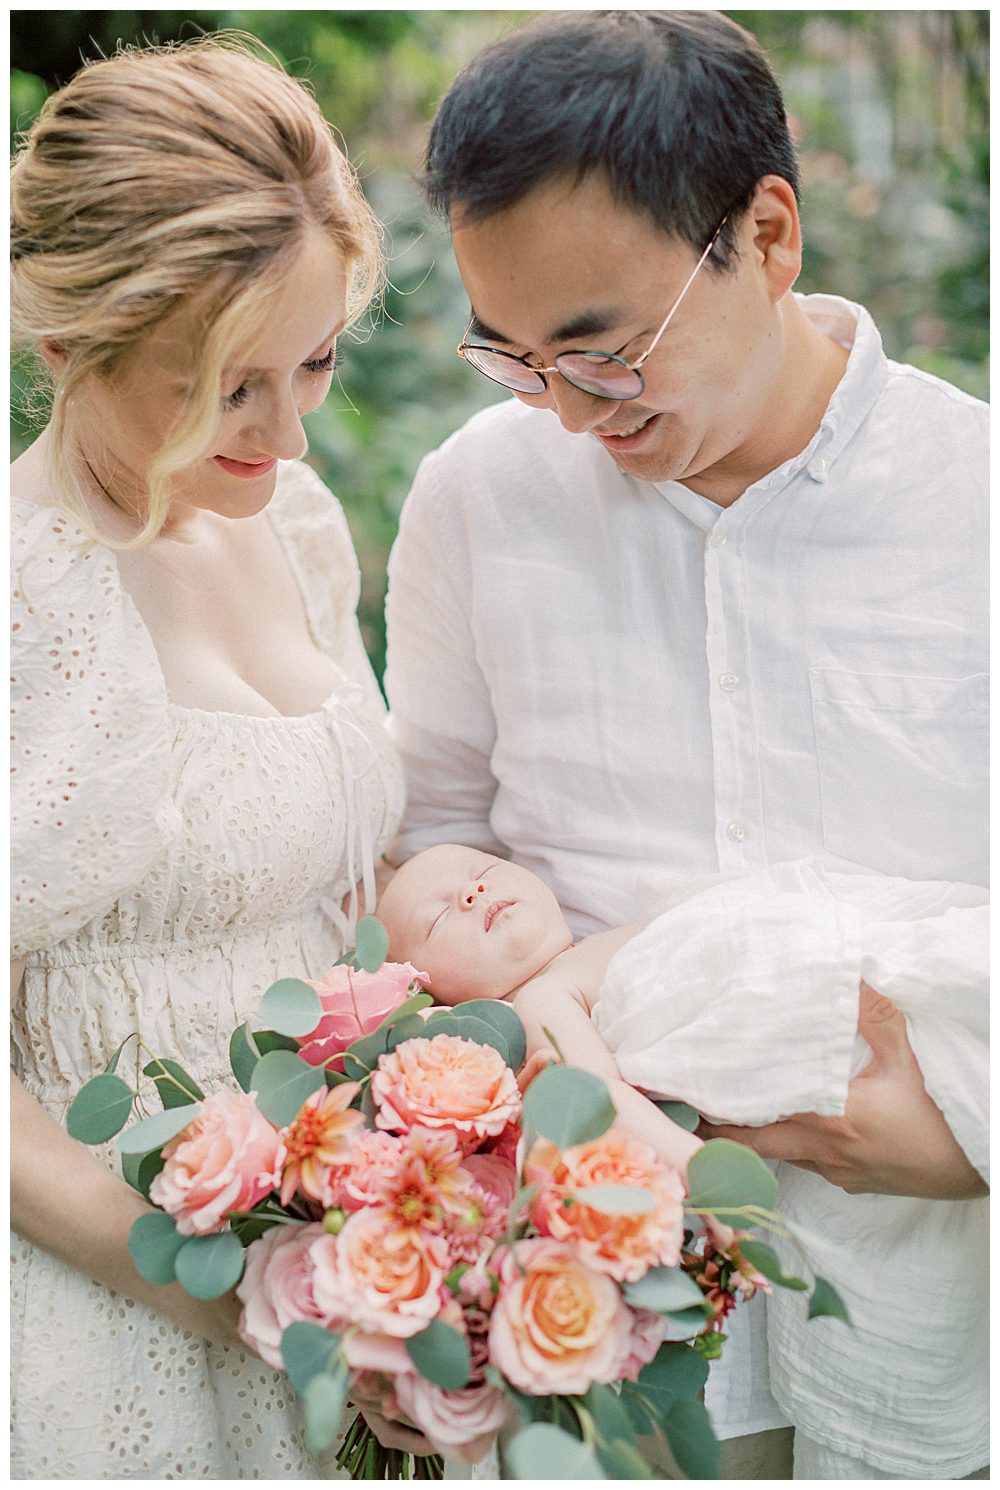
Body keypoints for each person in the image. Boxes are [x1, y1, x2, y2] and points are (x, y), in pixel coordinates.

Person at [382, 10, 988, 1480]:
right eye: (514, 360)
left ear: (766, 233)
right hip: (598, 1303)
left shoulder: (976, 502)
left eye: (604, 350)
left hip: (949, 1300)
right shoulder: (477, 499)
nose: (572, 415)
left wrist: (970, 1132)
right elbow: (429, 830)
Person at [10, 37, 405, 1479]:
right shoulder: (14, 592)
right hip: (107, 1310)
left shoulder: (293, 524)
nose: (291, 431)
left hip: (351, 1290)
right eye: (230, 388)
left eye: (316, 361)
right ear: (67, 342)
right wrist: (248, 1291)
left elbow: (341, 899)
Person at [376, 841, 988, 1478]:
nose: (473, 892)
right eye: (438, 917)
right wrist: (704, 1175)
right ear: (435, 998)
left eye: (485, 871)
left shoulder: (611, 941)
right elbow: (597, 1099)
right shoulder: (541, 1002)